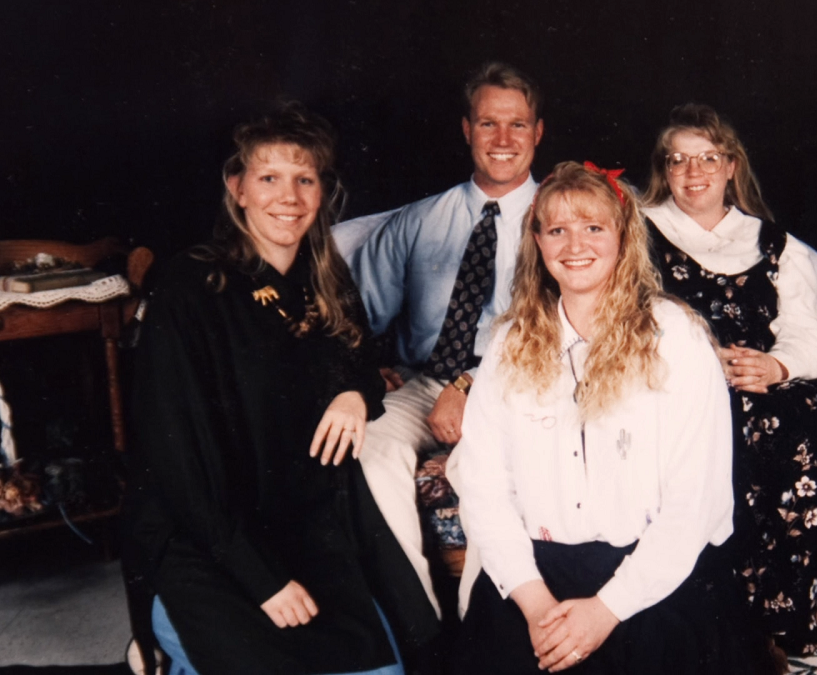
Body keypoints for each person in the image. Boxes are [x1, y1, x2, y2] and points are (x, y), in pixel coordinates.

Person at [124, 104, 438, 674]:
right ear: (237, 188)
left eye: (304, 178)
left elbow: (361, 359)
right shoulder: (191, 286)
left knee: (381, 669)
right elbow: (176, 463)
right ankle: (164, 644)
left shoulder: (323, 280)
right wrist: (263, 582)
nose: (287, 196)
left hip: (304, 529)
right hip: (208, 539)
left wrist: (354, 395)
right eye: (269, 177)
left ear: (322, 192)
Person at [448, 161, 773, 675]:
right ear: (537, 241)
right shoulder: (509, 344)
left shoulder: (675, 338)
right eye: (557, 230)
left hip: (649, 577)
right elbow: (483, 485)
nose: (575, 245)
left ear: (623, 237)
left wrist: (605, 611)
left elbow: (694, 503)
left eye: (593, 227)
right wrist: (536, 607)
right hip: (539, 579)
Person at [640, 104, 817, 656]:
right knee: (735, 439)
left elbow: (807, 336)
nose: (694, 173)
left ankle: (791, 624)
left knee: (814, 432)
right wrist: (698, 361)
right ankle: (727, 624)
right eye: (679, 161)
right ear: (664, 171)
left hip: (768, 385)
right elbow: (628, 321)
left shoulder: (774, 244)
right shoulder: (641, 233)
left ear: (731, 167)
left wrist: (776, 366)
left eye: (708, 158)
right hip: (680, 388)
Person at [336, 62, 544, 614]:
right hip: (423, 381)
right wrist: (362, 369)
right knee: (372, 450)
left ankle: (487, 628)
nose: (503, 140)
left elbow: (558, 335)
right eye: (487, 124)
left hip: (519, 386)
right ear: (466, 130)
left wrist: (470, 383)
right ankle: (420, 623)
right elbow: (359, 320)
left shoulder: (560, 220)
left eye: (517, 125)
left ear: (538, 132)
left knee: (484, 474)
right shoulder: (419, 221)